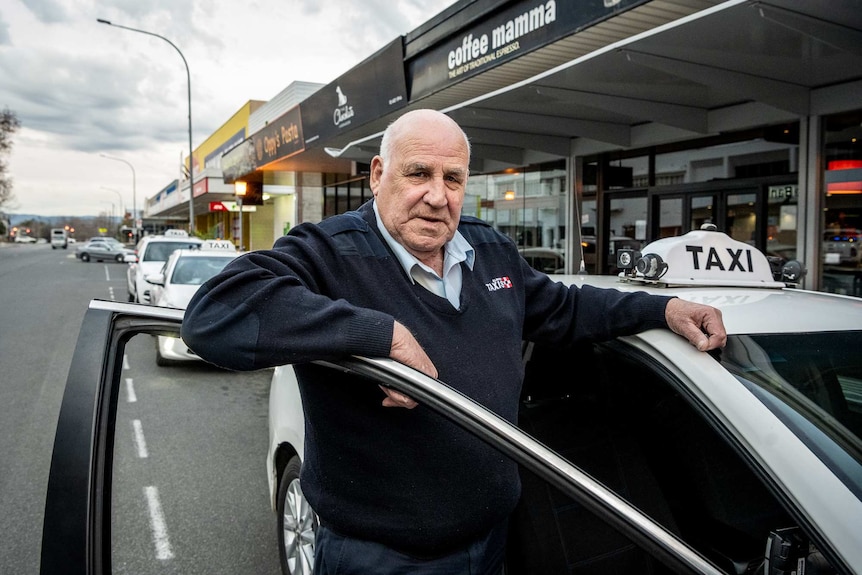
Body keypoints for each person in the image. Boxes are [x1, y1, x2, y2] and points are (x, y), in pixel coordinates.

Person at [182, 109, 726, 574]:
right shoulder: (328, 252)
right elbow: (214, 314)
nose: (437, 196)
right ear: (378, 174)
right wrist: (380, 334)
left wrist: (665, 308)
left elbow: (567, 307)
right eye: (418, 173)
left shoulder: (489, 250)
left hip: (493, 542)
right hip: (380, 558)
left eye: (453, 178)